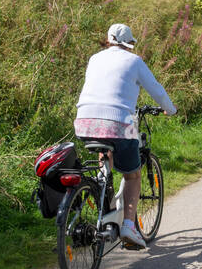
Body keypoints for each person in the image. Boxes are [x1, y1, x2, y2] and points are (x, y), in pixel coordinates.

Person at [73, 23, 177, 250]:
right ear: (129, 44)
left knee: (106, 151)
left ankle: (104, 195)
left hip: (84, 122)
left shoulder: (94, 59)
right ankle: (129, 225)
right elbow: (156, 89)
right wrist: (171, 108)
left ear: (108, 40)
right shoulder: (134, 61)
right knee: (132, 175)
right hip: (120, 123)